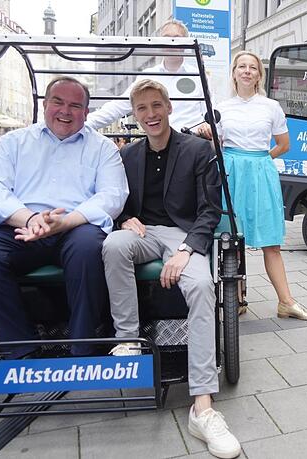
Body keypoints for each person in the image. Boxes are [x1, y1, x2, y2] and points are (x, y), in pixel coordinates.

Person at [101, 79, 240, 459]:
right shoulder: (127, 155)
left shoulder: (197, 150)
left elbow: (210, 210)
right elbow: (117, 202)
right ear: (135, 115)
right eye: (142, 108)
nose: (150, 114)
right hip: (143, 233)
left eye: (156, 105)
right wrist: (124, 218)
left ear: (169, 107)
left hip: (184, 234)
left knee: (201, 286)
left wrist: (185, 250)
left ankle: (203, 407)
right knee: (113, 245)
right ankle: (128, 340)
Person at [0, 76, 129, 358]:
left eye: (75, 106)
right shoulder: (14, 142)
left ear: (86, 112)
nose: (65, 111)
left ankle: (83, 348)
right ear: (45, 104)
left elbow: (112, 195)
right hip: (22, 224)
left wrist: (65, 222)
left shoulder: (102, 147)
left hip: (75, 226)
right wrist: (30, 219)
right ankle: (20, 348)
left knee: (89, 248)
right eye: (58, 102)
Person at [199, 51, 307, 321]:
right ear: (234, 73)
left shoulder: (271, 106)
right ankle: (237, 298)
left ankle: (286, 302)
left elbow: (284, 144)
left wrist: (261, 161)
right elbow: (215, 145)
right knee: (232, 239)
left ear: (259, 75)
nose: (247, 71)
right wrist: (209, 137)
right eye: (242, 66)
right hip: (230, 173)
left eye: (252, 67)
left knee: (271, 241)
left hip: (261, 173)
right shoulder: (221, 107)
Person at [87, 19, 210, 133]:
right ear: (160, 43)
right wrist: (84, 123)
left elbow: (211, 113)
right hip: (160, 143)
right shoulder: (148, 76)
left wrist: (207, 127)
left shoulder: (199, 76)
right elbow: (119, 106)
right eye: (167, 38)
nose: (172, 43)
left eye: (177, 38)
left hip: (194, 141)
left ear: (186, 43)